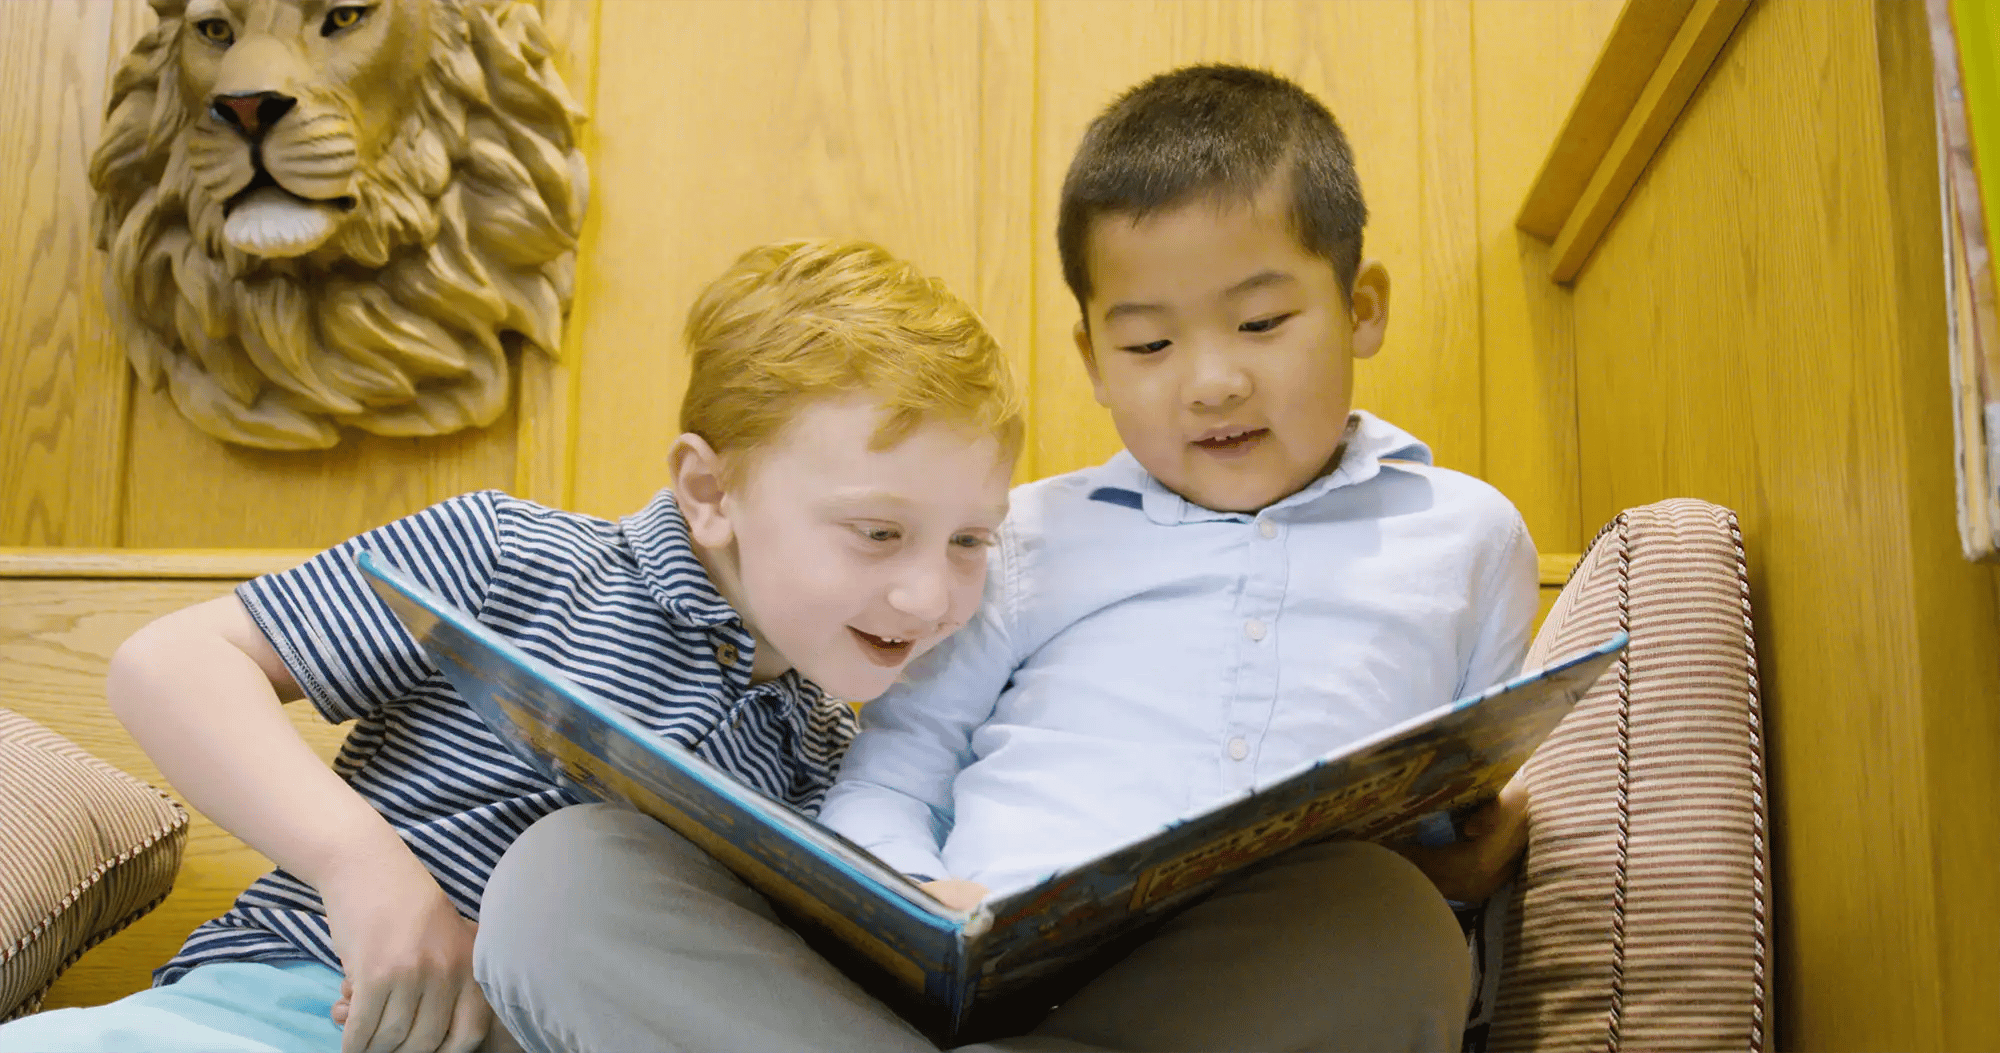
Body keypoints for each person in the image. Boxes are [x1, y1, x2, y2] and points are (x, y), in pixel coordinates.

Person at [472, 64, 1539, 1052]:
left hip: (1194, 999)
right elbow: (889, 776)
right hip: (937, 969)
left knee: (1388, 925)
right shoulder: (1016, 535)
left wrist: (1454, 871)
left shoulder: (1465, 536)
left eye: (1259, 322)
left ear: (1359, 309)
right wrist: (915, 896)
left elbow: (1448, 804)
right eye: (1149, 345)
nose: (1210, 382)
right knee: (564, 876)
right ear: (1091, 362)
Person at [0, 238, 1022, 1053]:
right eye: (878, 533)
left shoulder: (824, 758)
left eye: (971, 541)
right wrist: (366, 871)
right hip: (281, 1008)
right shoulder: (512, 557)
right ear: (711, 494)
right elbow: (171, 666)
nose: (929, 593)